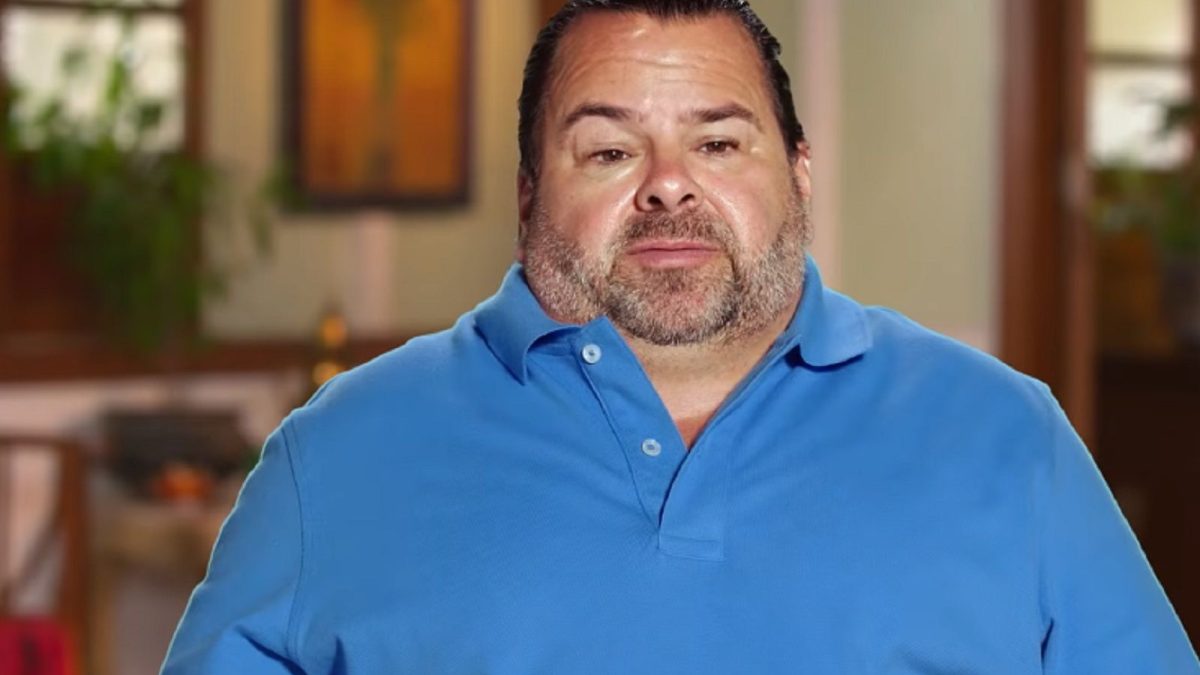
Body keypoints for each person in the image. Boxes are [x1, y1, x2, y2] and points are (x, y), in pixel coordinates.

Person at [162, 1, 1200, 673]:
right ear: (529, 196)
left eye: (718, 142)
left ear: (798, 174)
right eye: (609, 150)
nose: (668, 184)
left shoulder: (1008, 437)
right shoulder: (334, 455)